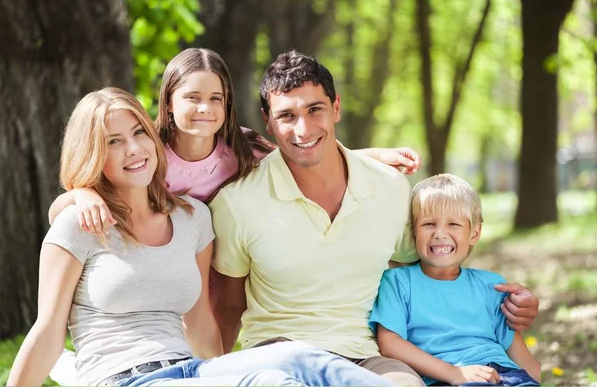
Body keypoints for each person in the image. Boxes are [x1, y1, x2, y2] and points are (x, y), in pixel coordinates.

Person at [6, 88, 395, 387]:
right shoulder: (78, 223)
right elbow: (47, 331)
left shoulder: (192, 218)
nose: (134, 148)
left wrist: (228, 369)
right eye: (113, 141)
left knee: (296, 362)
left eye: (139, 132)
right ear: (92, 153)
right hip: (122, 377)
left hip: (190, 371)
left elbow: (200, 323)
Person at [210, 50, 541, 386]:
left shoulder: (390, 187)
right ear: (267, 120)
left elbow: (429, 271)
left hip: (366, 354)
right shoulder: (238, 203)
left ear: (336, 107)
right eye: (286, 115)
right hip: (278, 354)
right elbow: (226, 307)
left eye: (315, 109)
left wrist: (505, 302)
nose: (303, 128)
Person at [48, 48, 421, 233]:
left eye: (216, 99)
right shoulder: (146, 151)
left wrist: (370, 156)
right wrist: (83, 194)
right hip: (159, 258)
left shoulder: (243, 150)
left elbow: (303, 152)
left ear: (227, 103)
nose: (204, 109)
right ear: (168, 101)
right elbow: (59, 210)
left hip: (217, 261)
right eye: (192, 98)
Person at [369, 174, 541, 386]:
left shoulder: (492, 286)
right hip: (445, 377)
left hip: (506, 375)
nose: (440, 233)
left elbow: (525, 361)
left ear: (474, 234)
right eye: (429, 223)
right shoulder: (398, 282)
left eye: (453, 224)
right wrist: (454, 373)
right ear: (414, 232)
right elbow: (391, 344)